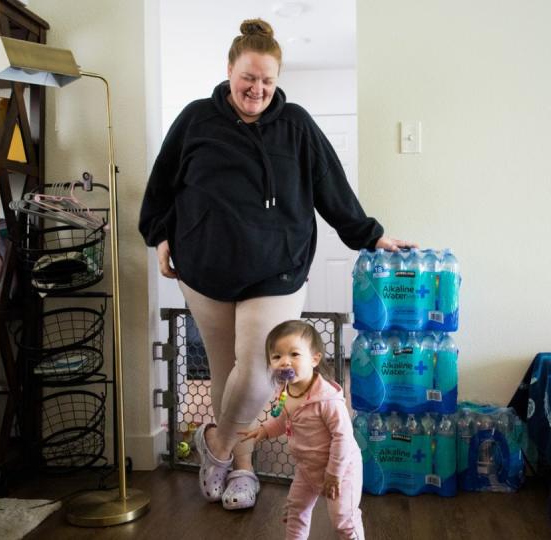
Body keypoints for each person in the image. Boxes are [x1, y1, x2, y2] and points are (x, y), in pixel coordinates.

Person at [138, 18, 413, 511]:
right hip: (205, 267)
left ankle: (217, 446)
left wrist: (370, 235)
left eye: (267, 80)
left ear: (277, 79)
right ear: (229, 70)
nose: (257, 89)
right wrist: (159, 234)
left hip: (277, 266)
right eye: (248, 77)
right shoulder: (196, 119)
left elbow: (332, 187)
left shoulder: (297, 124)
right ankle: (242, 469)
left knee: (261, 372)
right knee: (227, 373)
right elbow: (162, 183)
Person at [240, 320, 364, 539]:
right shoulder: (285, 391)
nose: (284, 362)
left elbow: (343, 437)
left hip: (341, 470)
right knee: (296, 511)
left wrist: (333, 475)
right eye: (277, 356)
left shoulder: (327, 400)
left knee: (342, 519)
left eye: (294, 354)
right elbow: (285, 419)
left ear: (314, 359)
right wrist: (265, 430)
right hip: (307, 469)